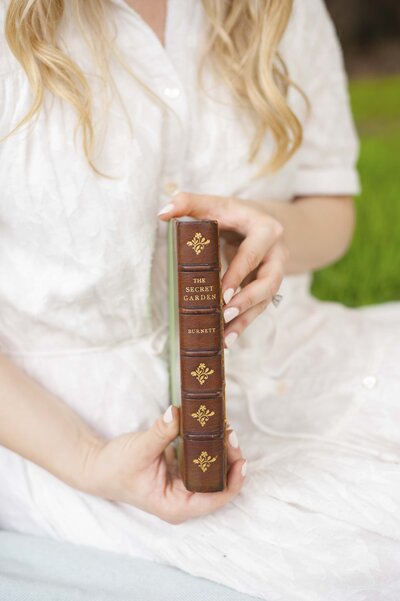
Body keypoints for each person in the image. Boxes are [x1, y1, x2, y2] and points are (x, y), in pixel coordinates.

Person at [0, 0, 399, 599]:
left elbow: (331, 211)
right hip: (67, 435)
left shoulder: (284, 11)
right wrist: (87, 460)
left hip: (294, 363)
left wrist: (264, 228)